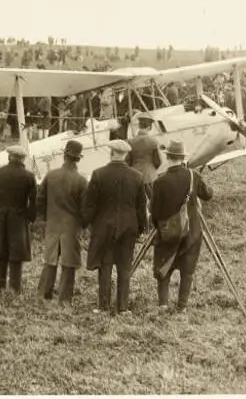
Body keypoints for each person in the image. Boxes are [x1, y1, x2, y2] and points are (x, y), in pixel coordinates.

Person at [83, 139, 147, 315]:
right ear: (125, 155)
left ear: (111, 153)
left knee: (105, 267)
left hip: (104, 229)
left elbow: (89, 205)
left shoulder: (98, 174)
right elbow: (141, 208)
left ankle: (103, 306)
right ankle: (123, 307)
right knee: (124, 268)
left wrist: (86, 224)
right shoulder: (137, 176)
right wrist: (141, 229)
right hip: (128, 229)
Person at [150, 140, 213, 312]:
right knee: (188, 270)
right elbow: (208, 195)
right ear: (182, 158)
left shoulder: (159, 182)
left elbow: (154, 212)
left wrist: (159, 227)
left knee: (164, 267)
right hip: (191, 233)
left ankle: (163, 304)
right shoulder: (193, 176)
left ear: (168, 157)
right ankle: (182, 307)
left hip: (167, 233)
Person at [36, 140, 88, 303]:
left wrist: (46, 218)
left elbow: (40, 200)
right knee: (69, 264)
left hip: (52, 224)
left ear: (64, 155)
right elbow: (85, 209)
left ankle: (44, 295)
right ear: (78, 159)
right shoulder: (81, 181)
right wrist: (82, 225)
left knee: (50, 261)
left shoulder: (50, 175)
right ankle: (64, 299)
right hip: (72, 228)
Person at [0, 145, 37, 295]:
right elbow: (33, 202)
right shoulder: (29, 176)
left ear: (9, 157)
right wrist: (29, 218)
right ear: (23, 159)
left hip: (1, 217)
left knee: (1, 254)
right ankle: (14, 290)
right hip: (19, 219)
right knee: (16, 256)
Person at [126, 116, 163, 201]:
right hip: (150, 176)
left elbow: (128, 161)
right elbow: (158, 162)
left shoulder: (130, 142)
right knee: (153, 203)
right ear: (149, 127)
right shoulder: (153, 141)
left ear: (139, 126)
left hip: (134, 176)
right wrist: (152, 169)